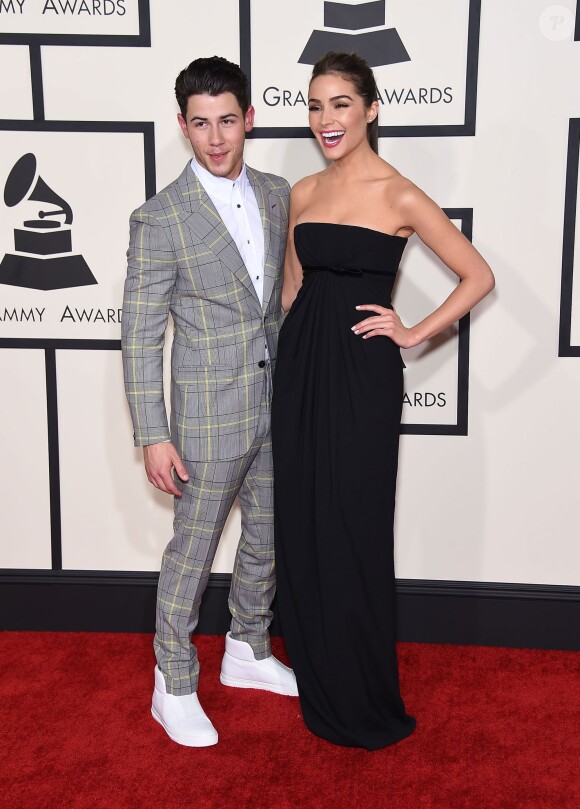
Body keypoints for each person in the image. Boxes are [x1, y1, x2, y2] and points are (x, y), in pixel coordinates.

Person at [272, 52, 495, 751]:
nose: (326, 119)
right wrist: (285, 356)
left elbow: (477, 274)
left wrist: (413, 329)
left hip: (362, 374)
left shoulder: (399, 193)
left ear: (370, 108)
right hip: (301, 367)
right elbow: (289, 291)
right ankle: (317, 669)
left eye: (340, 103)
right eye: (315, 105)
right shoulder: (302, 192)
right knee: (304, 518)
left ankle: (362, 691)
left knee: (356, 523)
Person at [121, 56, 297, 749]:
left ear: (248, 118)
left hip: (275, 399)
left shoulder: (279, 191)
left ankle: (248, 647)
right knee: (191, 552)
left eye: (228, 120)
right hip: (205, 414)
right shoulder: (160, 217)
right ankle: (174, 681)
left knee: (268, 534)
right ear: (183, 126)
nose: (217, 137)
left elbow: (280, 296)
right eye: (201, 124)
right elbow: (139, 332)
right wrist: (152, 432)